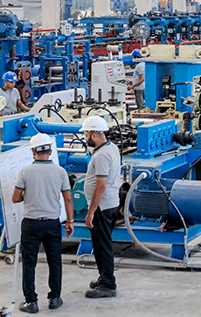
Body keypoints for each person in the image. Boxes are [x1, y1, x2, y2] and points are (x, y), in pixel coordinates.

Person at [11, 133, 73, 313]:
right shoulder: (60, 172)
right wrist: (69, 221)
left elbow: (15, 198)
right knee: (55, 261)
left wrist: (29, 195)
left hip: (31, 223)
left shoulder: (25, 172)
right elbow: (68, 199)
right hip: (52, 223)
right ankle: (55, 298)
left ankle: (31, 302)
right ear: (50, 151)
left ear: (33, 152)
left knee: (29, 263)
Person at [80, 115, 121, 299]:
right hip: (109, 204)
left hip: (102, 207)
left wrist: (91, 212)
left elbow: (101, 185)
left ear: (95, 134)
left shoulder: (102, 155)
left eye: (86, 134)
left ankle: (108, 285)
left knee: (102, 246)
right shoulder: (111, 147)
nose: (85, 137)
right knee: (101, 244)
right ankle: (104, 277)